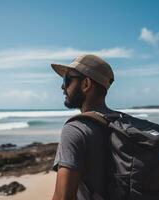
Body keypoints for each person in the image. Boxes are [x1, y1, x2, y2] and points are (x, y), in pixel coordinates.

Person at [50, 54, 114, 200]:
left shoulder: (75, 129)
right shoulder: (121, 123)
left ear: (86, 84)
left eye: (66, 80)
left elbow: (62, 197)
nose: (62, 87)